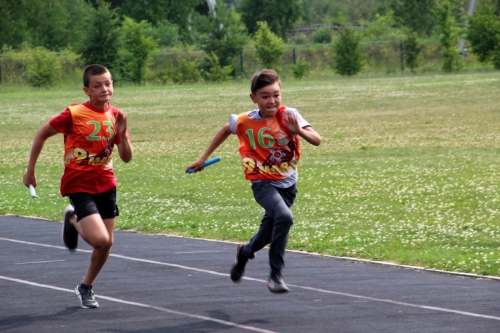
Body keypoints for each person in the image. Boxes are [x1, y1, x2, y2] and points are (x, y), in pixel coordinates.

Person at [186, 69, 321, 293]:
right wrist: (202, 158)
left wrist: (300, 131)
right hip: (262, 183)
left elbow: (317, 140)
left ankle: (245, 252)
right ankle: (275, 275)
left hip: (287, 186)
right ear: (254, 98)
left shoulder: (290, 115)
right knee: (285, 218)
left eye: (276, 94)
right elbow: (225, 130)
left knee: (266, 235)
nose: (272, 100)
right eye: (265, 96)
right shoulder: (245, 121)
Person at [23, 64, 133, 308]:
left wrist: (123, 134)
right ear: (87, 90)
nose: (105, 89)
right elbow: (41, 134)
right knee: (99, 239)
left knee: (107, 244)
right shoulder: (74, 114)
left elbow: (126, 157)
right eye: (97, 85)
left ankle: (86, 287)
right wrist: (30, 171)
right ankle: (73, 218)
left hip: (106, 183)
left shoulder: (117, 115)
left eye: (108, 83)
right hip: (79, 183)